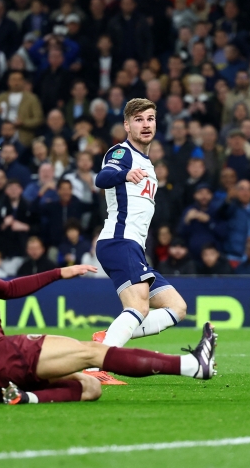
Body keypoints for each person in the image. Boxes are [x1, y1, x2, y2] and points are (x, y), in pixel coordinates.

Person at [0, 198, 217, 404]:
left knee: (89, 388)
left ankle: (24, 397)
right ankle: (191, 365)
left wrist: (60, 272)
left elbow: (7, 289)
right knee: (93, 353)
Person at [90, 98, 189, 385]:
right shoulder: (122, 153)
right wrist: (124, 174)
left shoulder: (149, 164)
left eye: (150, 119)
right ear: (127, 125)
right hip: (119, 241)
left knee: (177, 307)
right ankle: (97, 365)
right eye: (138, 119)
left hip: (134, 248)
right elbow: (103, 177)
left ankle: (109, 338)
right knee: (139, 307)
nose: (145, 124)